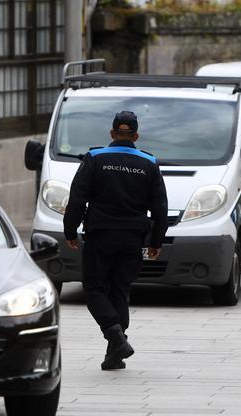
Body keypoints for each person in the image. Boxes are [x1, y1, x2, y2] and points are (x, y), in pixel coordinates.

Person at [63, 110, 169, 371]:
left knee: (95, 289)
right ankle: (115, 353)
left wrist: (69, 230)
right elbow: (160, 208)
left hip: (101, 236)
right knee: (120, 290)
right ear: (135, 135)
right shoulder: (149, 163)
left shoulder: (95, 158)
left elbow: (77, 198)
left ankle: (114, 334)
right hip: (132, 238)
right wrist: (157, 241)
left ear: (112, 134)